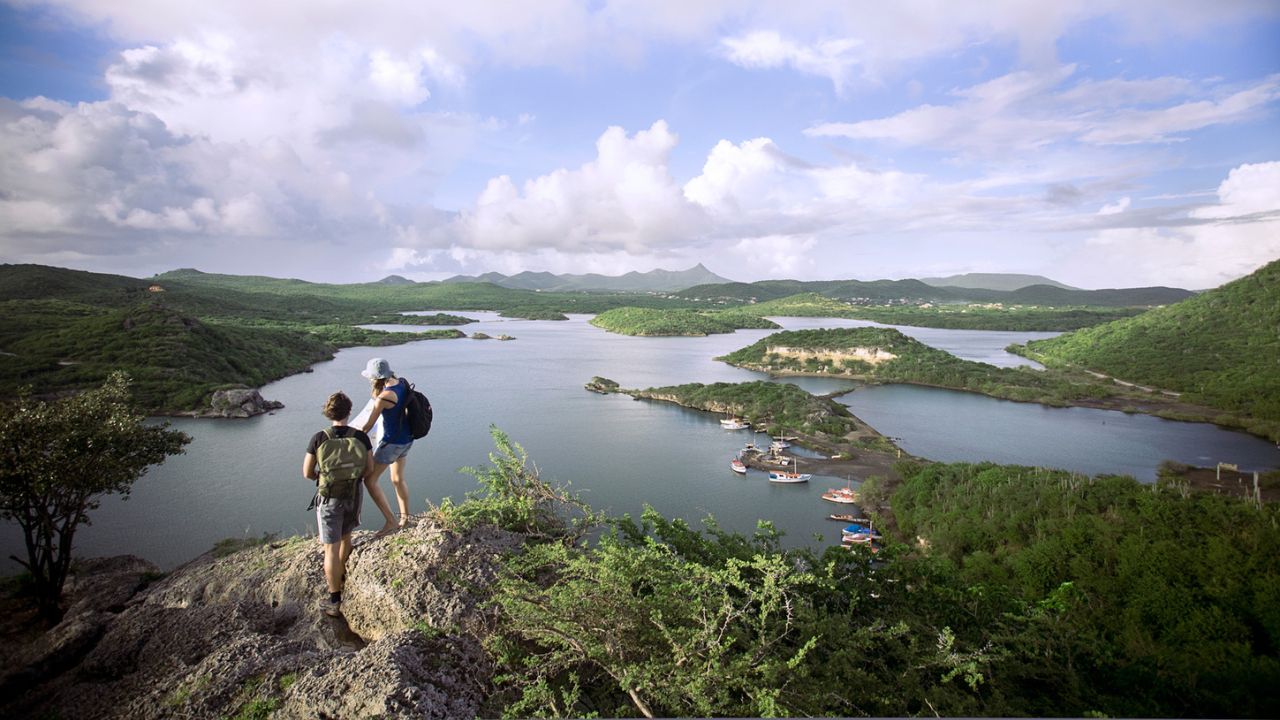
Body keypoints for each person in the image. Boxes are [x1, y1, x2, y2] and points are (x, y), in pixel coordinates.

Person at [303, 391, 373, 617]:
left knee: (330, 549)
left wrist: (321, 478)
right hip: (353, 494)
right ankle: (344, 579)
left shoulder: (319, 438)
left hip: (329, 497)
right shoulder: (361, 437)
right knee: (346, 538)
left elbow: (306, 473)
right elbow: (369, 470)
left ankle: (335, 600)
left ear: (328, 412)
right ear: (349, 411)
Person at [359, 357, 414, 536]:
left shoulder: (384, 397)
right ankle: (405, 518)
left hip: (392, 443)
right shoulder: (402, 384)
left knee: (369, 480)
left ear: (374, 378)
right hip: (407, 440)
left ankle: (390, 521)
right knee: (397, 479)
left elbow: (368, 425)